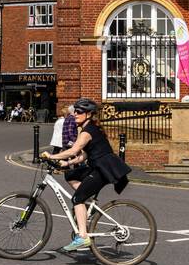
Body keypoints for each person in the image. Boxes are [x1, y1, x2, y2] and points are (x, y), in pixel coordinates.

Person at [42, 97, 131, 252]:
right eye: (74, 111)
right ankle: (88, 204)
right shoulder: (88, 129)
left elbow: (73, 150)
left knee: (77, 198)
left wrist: (52, 157)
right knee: (70, 175)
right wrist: (67, 164)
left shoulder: (87, 132)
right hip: (97, 166)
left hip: (103, 170)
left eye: (79, 112)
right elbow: (84, 155)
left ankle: (83, 237)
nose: (75, 114)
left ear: (88, 114)